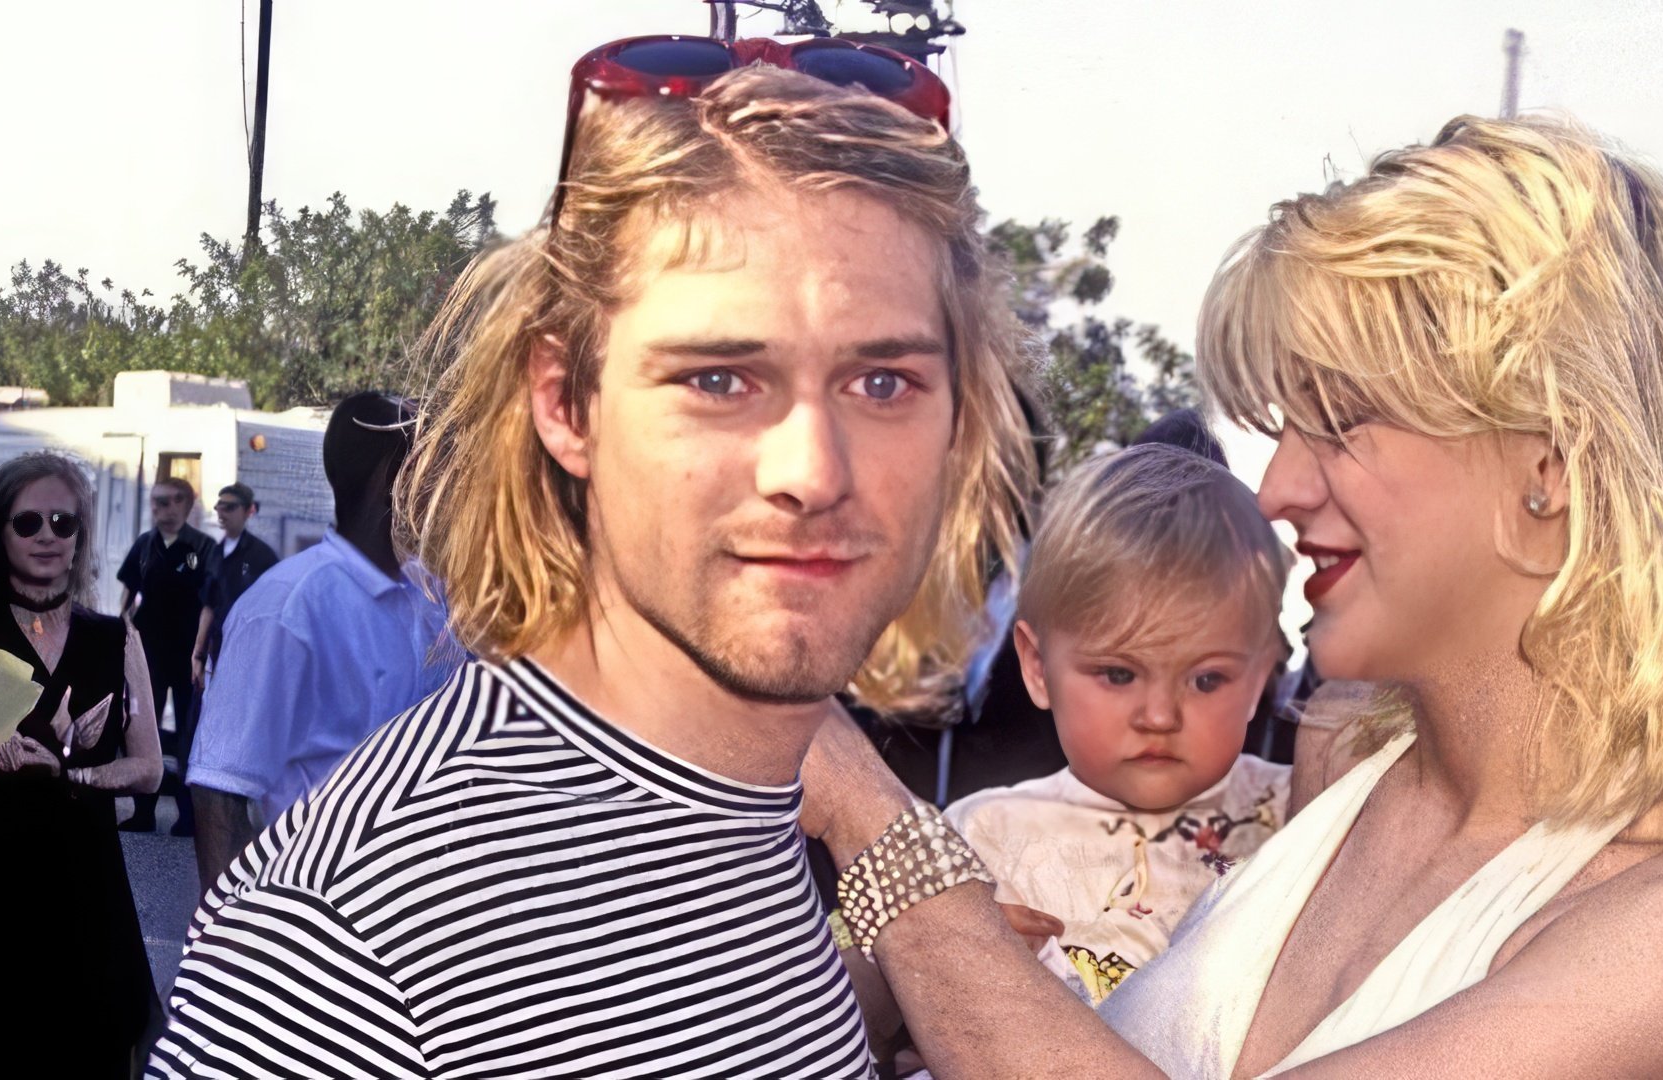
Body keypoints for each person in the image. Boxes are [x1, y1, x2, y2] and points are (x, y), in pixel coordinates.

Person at [799, 114, 1663, 1079]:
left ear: (1555, 462)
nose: (1277, 491)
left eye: (1340, 420)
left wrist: (875, 820)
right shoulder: (1340, 770)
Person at [148, 53, 1036, 1079]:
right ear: (567, 406)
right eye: (717, 378)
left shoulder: (744, 810)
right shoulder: (361, 935)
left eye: (882, 381)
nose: (813, 471)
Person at [944, 443, 1292, 1006]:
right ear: (1038, 668)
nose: (1159, 716)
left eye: (1206, 681)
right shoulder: (983, 837)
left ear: (1256, 680)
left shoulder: (1302, 815)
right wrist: (950, 956)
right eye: (1117, 675)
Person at [181, 392, 458, 892]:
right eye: (437, 469)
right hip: (317, 913)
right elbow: (220, 792)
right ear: (390, 480)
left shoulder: (435, 598)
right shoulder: (287, 610)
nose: (455, 490)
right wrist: (232, 945)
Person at [0, 451, 163, 1076]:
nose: (47, 535)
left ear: (81, 535)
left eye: (63, 522)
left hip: (87, 890)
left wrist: (78, 775)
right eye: (28, 523)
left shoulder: (117, 636)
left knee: (91, 1044)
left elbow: (149, 767)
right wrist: (0, 756)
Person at [117, 473, 216, 834]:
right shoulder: (145, 544)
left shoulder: (203, 548)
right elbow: (129, 592)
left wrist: (202, 653)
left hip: (188, 654)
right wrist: (120, 629)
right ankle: (143, 812)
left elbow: (212, 603)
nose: (166, 508)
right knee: (144, 734)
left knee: (189, 736)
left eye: (175, 500)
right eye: (159, 501)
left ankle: (188, 817)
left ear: (189, 505)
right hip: (148, 655)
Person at [188, 482, 279, 694]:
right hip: (217, 649)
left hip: (249, 653)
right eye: (219, 507)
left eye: (230, 507)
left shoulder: (262, 556)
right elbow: (208, 604)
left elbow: (274, 610)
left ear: (249, 511)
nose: (222, 513)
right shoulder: (214, 553)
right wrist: (198, 652)